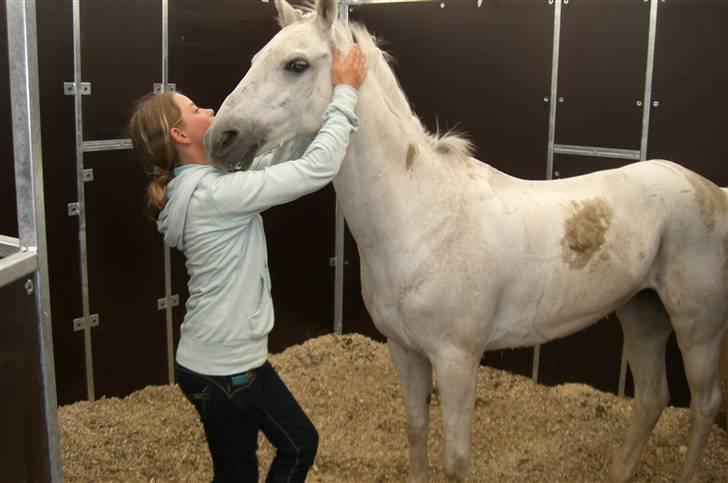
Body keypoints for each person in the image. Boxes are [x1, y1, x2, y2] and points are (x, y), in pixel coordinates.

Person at [128, 45, 367, 482]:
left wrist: (319, 107)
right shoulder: (214, 196)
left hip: (234, 362)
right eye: (196, 109)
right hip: (224, 371)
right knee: (240, 474)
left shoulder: (209, 185)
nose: (211, 109)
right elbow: (315, 170)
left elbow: (273, 161)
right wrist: (347, 93)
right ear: (182, 136)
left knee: (299, 444)